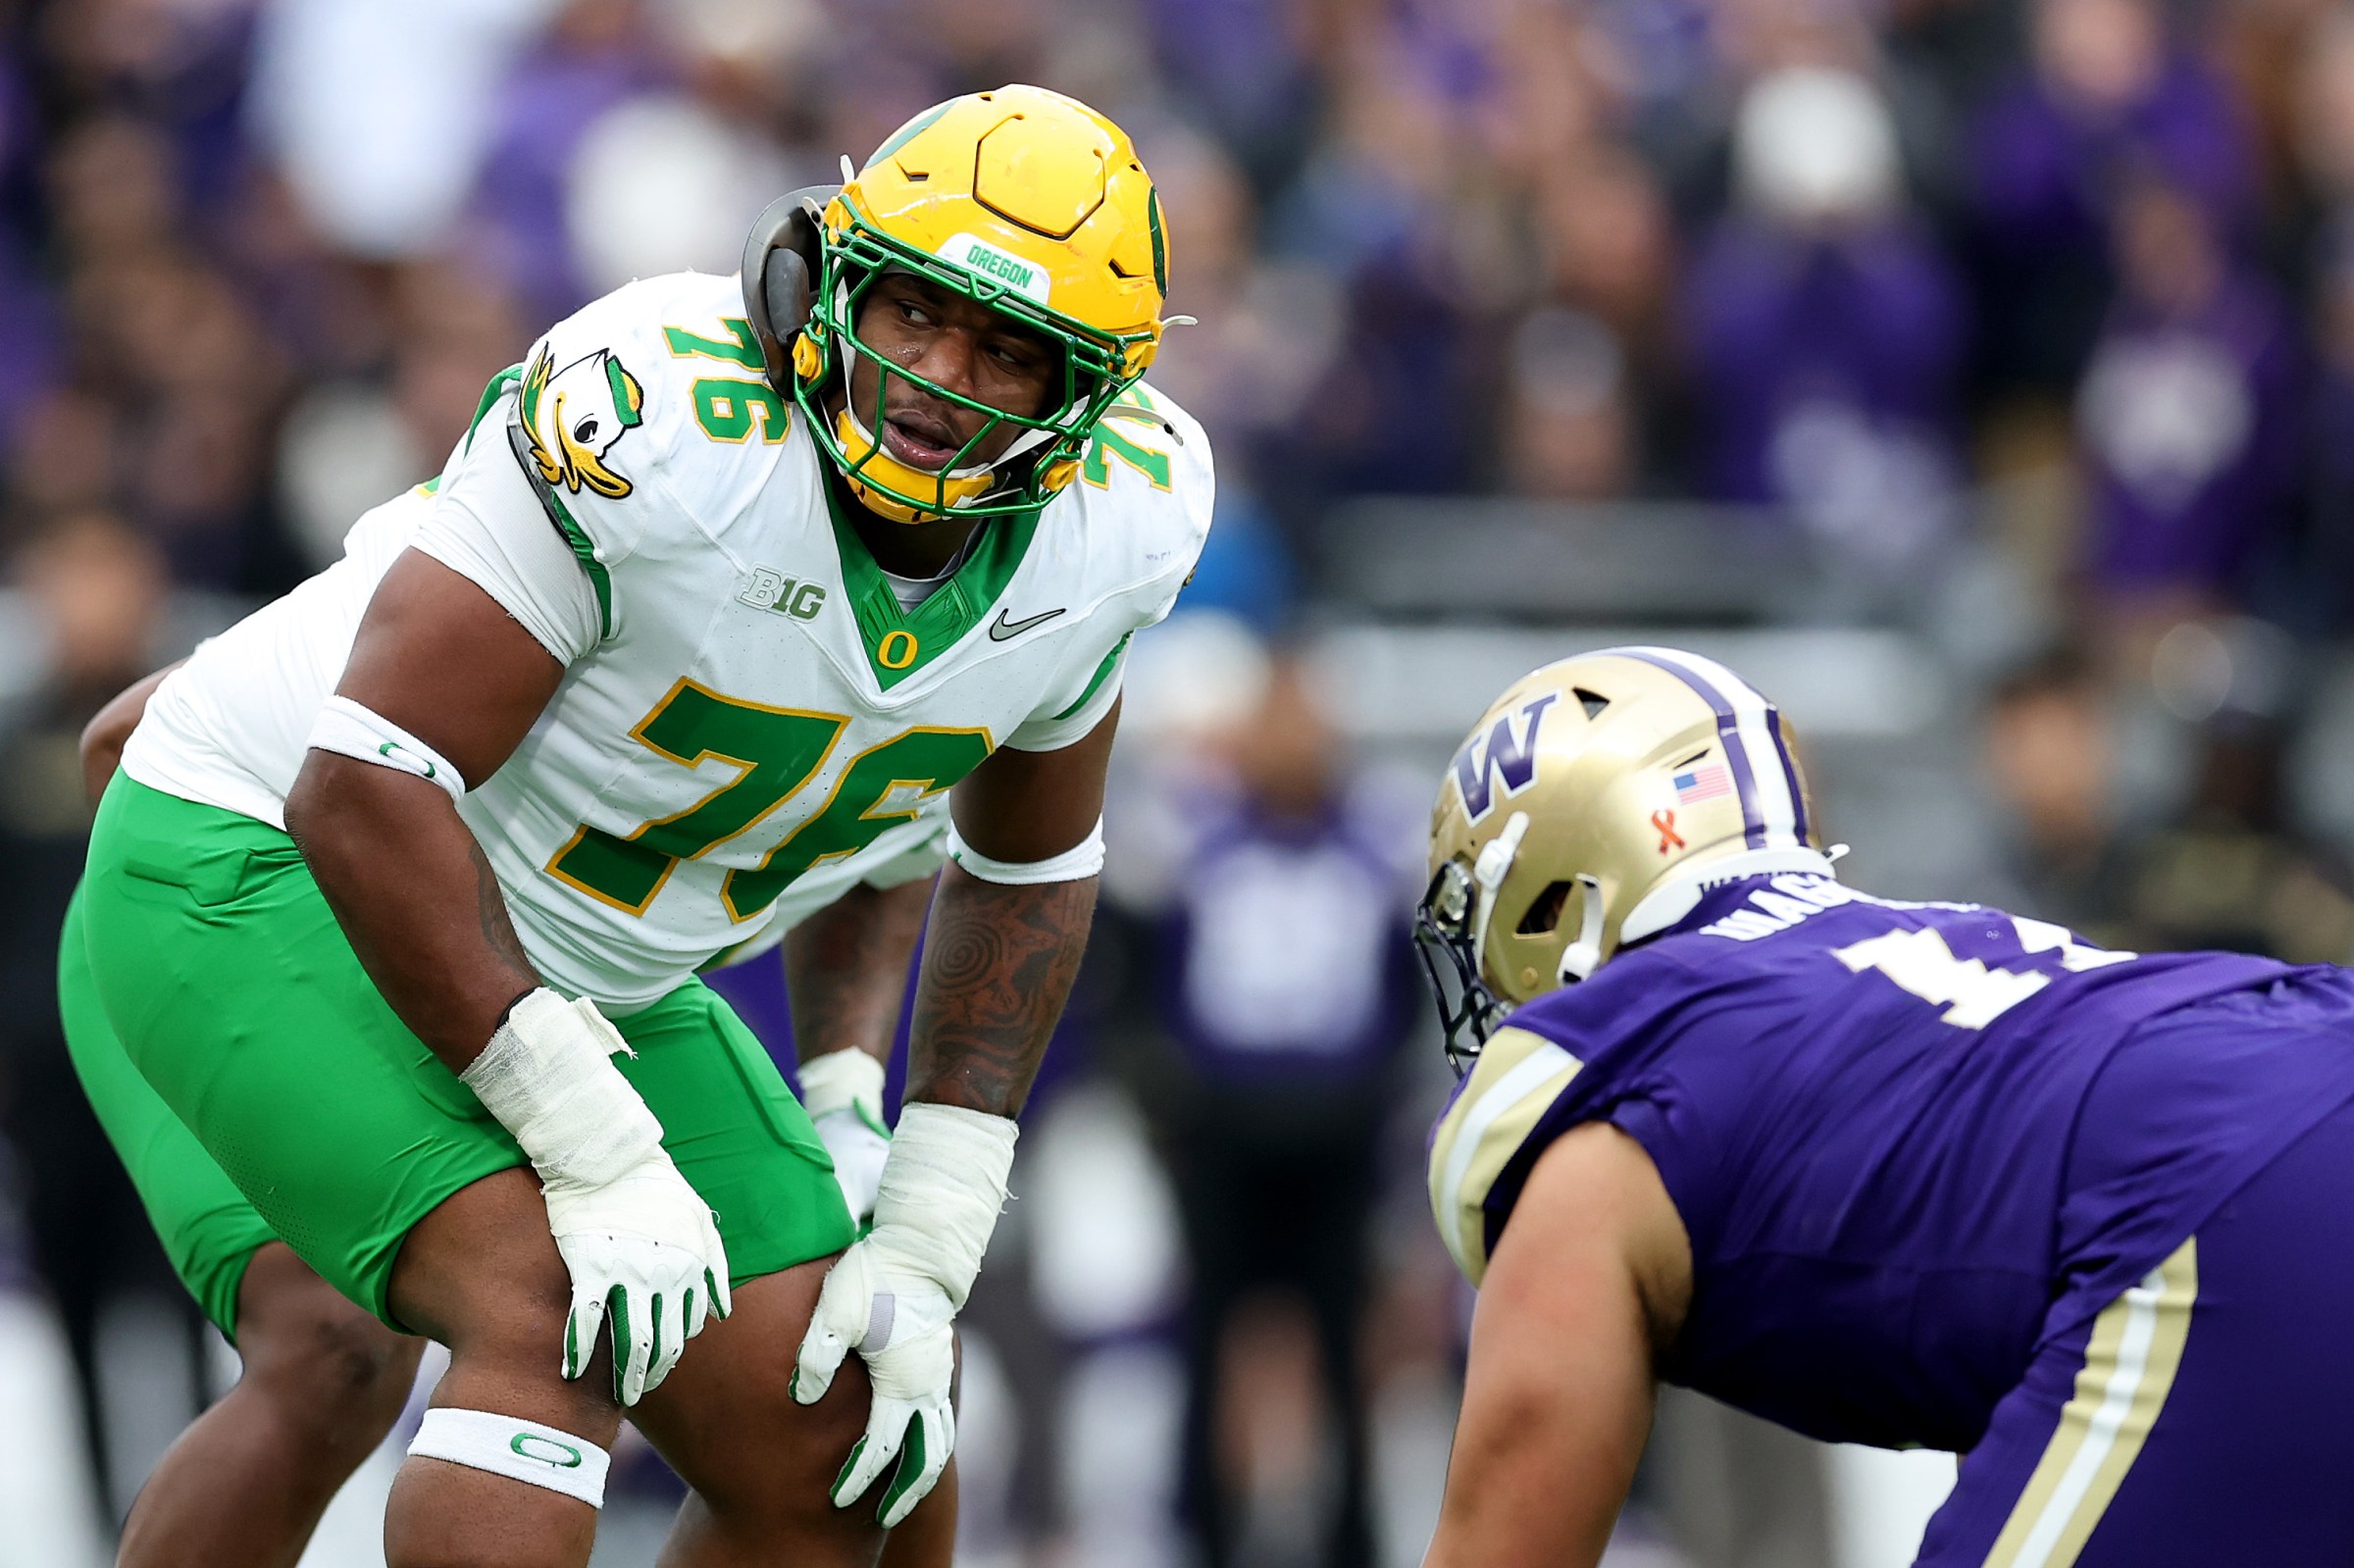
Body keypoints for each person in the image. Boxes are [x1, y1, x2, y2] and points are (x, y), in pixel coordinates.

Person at [64, 83, 1210, 1568]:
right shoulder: (664, 409)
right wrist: (588, 1142)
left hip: (571, 953)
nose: (937, 374)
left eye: (1007, 350)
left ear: (1090, 396)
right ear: (835, 271)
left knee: (861, 1433)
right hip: (274, 857)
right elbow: (360, 777)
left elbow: (1015, 858)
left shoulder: (1125, 514)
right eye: (917, 310)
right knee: (542, 1304)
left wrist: (925, 1206)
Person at [1413, 645, 2354, 1566]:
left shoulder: (1607, 1084)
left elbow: (1506, 1538)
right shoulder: (1922, 938)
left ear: (1549, 902)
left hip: (2215, 1202)